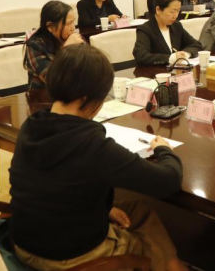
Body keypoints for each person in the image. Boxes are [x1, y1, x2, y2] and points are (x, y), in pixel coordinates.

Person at [10, 43, 188, 271]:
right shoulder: (91, 145)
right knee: (151, 246)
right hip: (68, 258)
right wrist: (164, 149)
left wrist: (104, 209)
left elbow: (50, 185)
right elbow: (168, 180)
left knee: (139, 210)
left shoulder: (31, 126)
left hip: (24, 242)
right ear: (87, 97)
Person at [24, 0, 84, 96]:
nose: (73, 27)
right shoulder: (35, 46)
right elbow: (52, 79)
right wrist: (66, 48)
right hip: (44, 98)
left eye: (73, 22)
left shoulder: (74, 38)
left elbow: (90, 67)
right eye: (68, 23)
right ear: (50, 26)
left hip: (73, 94)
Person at [134, 0, 202, 66]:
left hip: (177, 71)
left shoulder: (176, 26)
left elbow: (196, 44)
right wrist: (169, 58)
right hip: (156, 72)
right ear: (158, 10)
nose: (175, 16)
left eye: (178, 11)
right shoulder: (145, 29)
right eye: (172, 11)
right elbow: (141, 56)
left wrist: (186, 54)